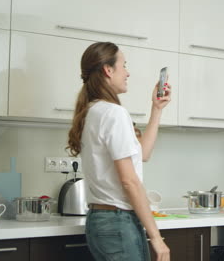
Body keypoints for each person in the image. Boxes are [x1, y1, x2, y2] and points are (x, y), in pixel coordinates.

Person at [67, 42, 170, 261]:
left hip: (101, 221)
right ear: (108, 69)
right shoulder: (113, 113)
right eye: (124, 65)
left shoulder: (93, 111)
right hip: (118, 221)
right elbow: (129, 181)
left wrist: (157, 109)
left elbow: (142, 156)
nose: (128, 73)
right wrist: (157, 239)